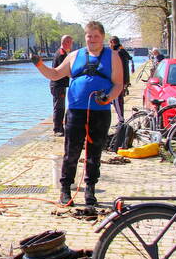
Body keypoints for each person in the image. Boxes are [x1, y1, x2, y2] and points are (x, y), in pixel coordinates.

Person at [32, 21, 124, 208]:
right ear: (85, 37)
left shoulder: (113, 57)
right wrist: (38, 63)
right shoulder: (74, 56)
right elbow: (55, 74)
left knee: (94, 153)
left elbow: (118, 84)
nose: (92, 39)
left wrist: (107, 98)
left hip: (100, 112)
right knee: (71, 151)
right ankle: (65, 190)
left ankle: (90, 190)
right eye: (89, 36)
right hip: (75, 111)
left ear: (103, 37)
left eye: (96, 36)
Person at [49, 35, 74, 135]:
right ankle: (57, 129)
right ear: (66, 42)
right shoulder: (61, 55)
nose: (71, 45)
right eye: (70, 42)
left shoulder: (62, 53)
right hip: (58, 84)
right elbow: (64, 70)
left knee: (60, 106)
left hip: (60, 84)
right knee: (59, 107)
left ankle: (59, 128)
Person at [109, 36, 132, 124]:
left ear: (113, 43)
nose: (109, 45)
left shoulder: (118, 52)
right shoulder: (121, 50)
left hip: (119, 80)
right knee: (117, 100)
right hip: (122, 79)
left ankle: (121, 120)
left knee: (117, 100)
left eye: (110, 43)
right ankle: (120, 119)